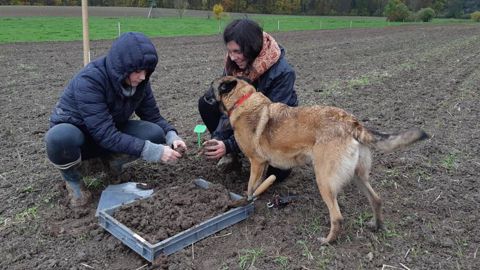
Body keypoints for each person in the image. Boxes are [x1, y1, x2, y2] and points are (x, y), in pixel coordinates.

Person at [45, 32, 187, 208]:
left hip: (109, 132)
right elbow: (105, 134)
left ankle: (112, 163)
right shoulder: (90, 80)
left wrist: (172, 136)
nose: (143, 76)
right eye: (137, 71)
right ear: (122, 67)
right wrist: (152, 151)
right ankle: (74, 182)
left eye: (146, 71)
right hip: (80, 137)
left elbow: (153, 116)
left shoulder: (140, 83)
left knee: (155, 133)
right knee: (59, 137)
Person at [198, 19, 298, 181]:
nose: (232, 57)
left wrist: (230, 144)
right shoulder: (233, 65)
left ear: (252, 48)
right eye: (229, 51)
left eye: (237, 51)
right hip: (247, 120)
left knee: (276, 175)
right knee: (207, 103)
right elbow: (228, 106)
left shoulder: (283, 73)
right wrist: (219, 139)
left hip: (273, 128)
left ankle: (248, 151)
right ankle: (234, 155)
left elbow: (270, 122)